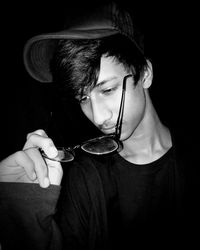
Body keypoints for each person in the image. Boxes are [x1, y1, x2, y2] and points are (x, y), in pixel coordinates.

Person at [0, 1, 196, 250]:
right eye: (83, 98)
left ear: (144, 73)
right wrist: (24, 211)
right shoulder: (85, 178)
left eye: (108, 89)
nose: (98, 116)